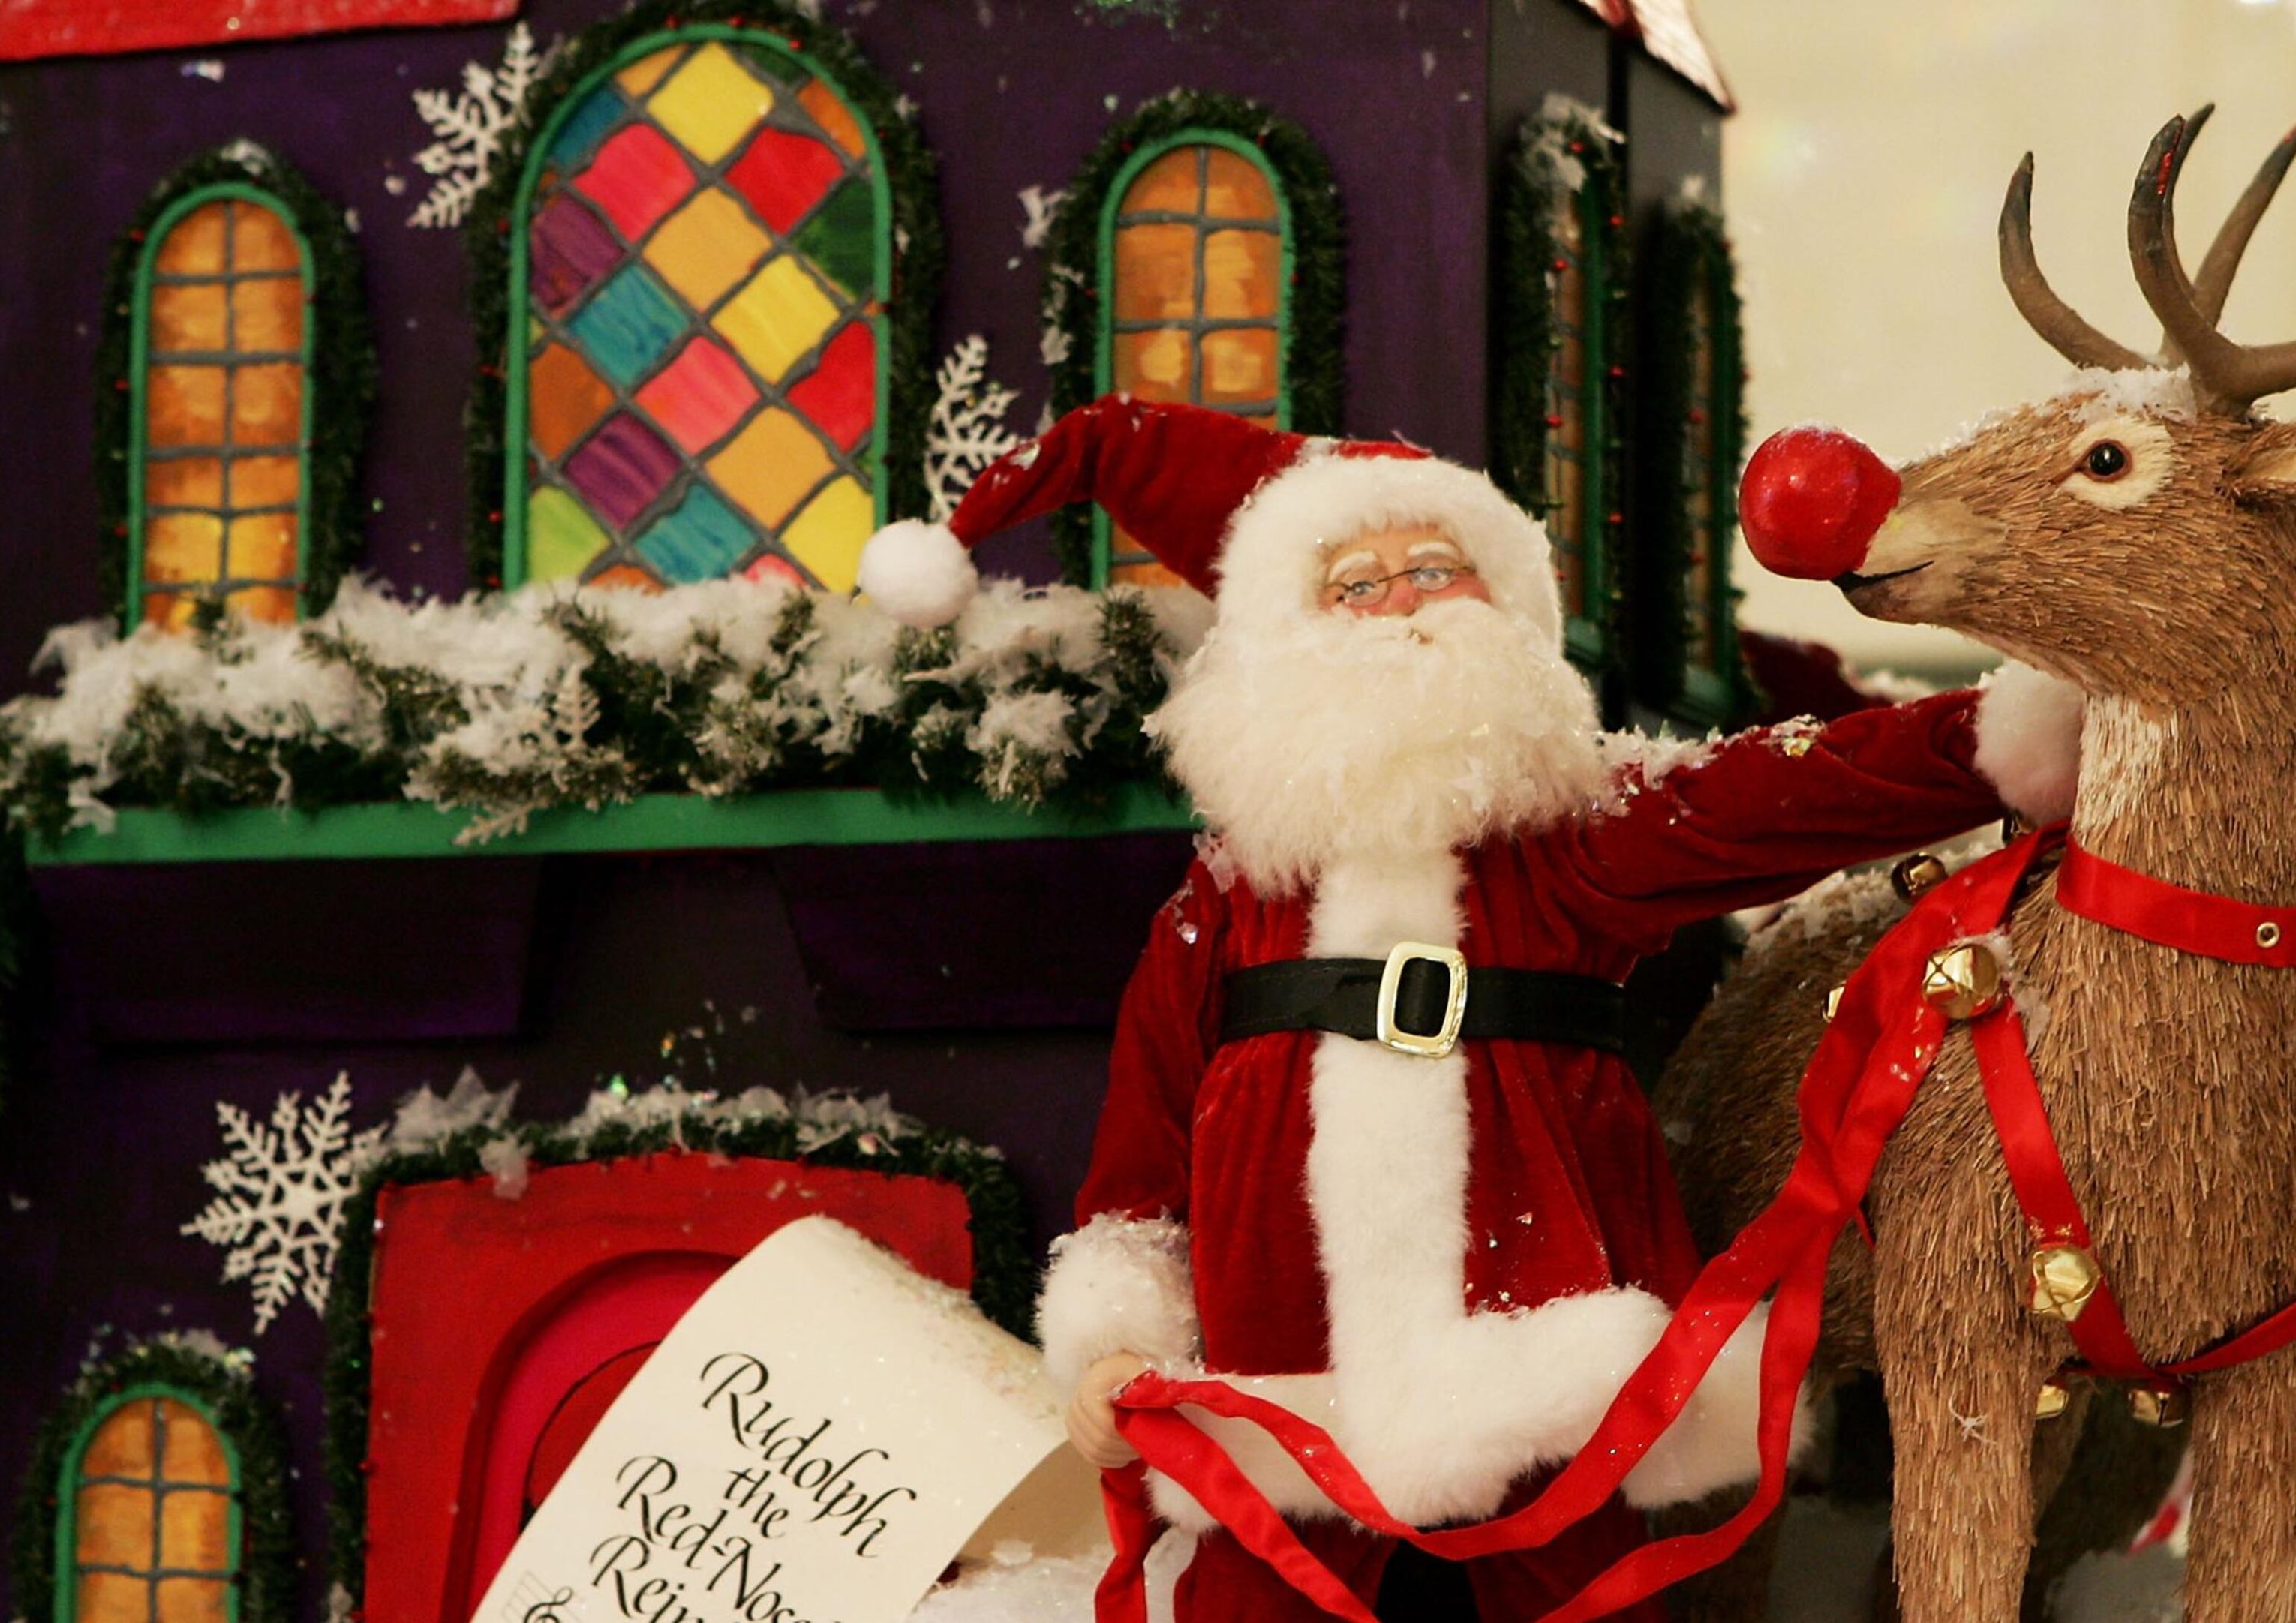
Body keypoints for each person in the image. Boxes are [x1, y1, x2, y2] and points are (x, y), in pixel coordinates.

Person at [857, 397, 2078, 1622]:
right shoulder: (1220, 902)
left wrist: (2019, 730)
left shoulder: (1583, 832)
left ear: (1503, 608)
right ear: (1284, 636)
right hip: (1286, 1389)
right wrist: (1118, 1335)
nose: (1400, 598)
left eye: (1434, 568)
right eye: (1354, 581)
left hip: (1542, 1381)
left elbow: (1803, 785)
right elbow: (1143, 1145)